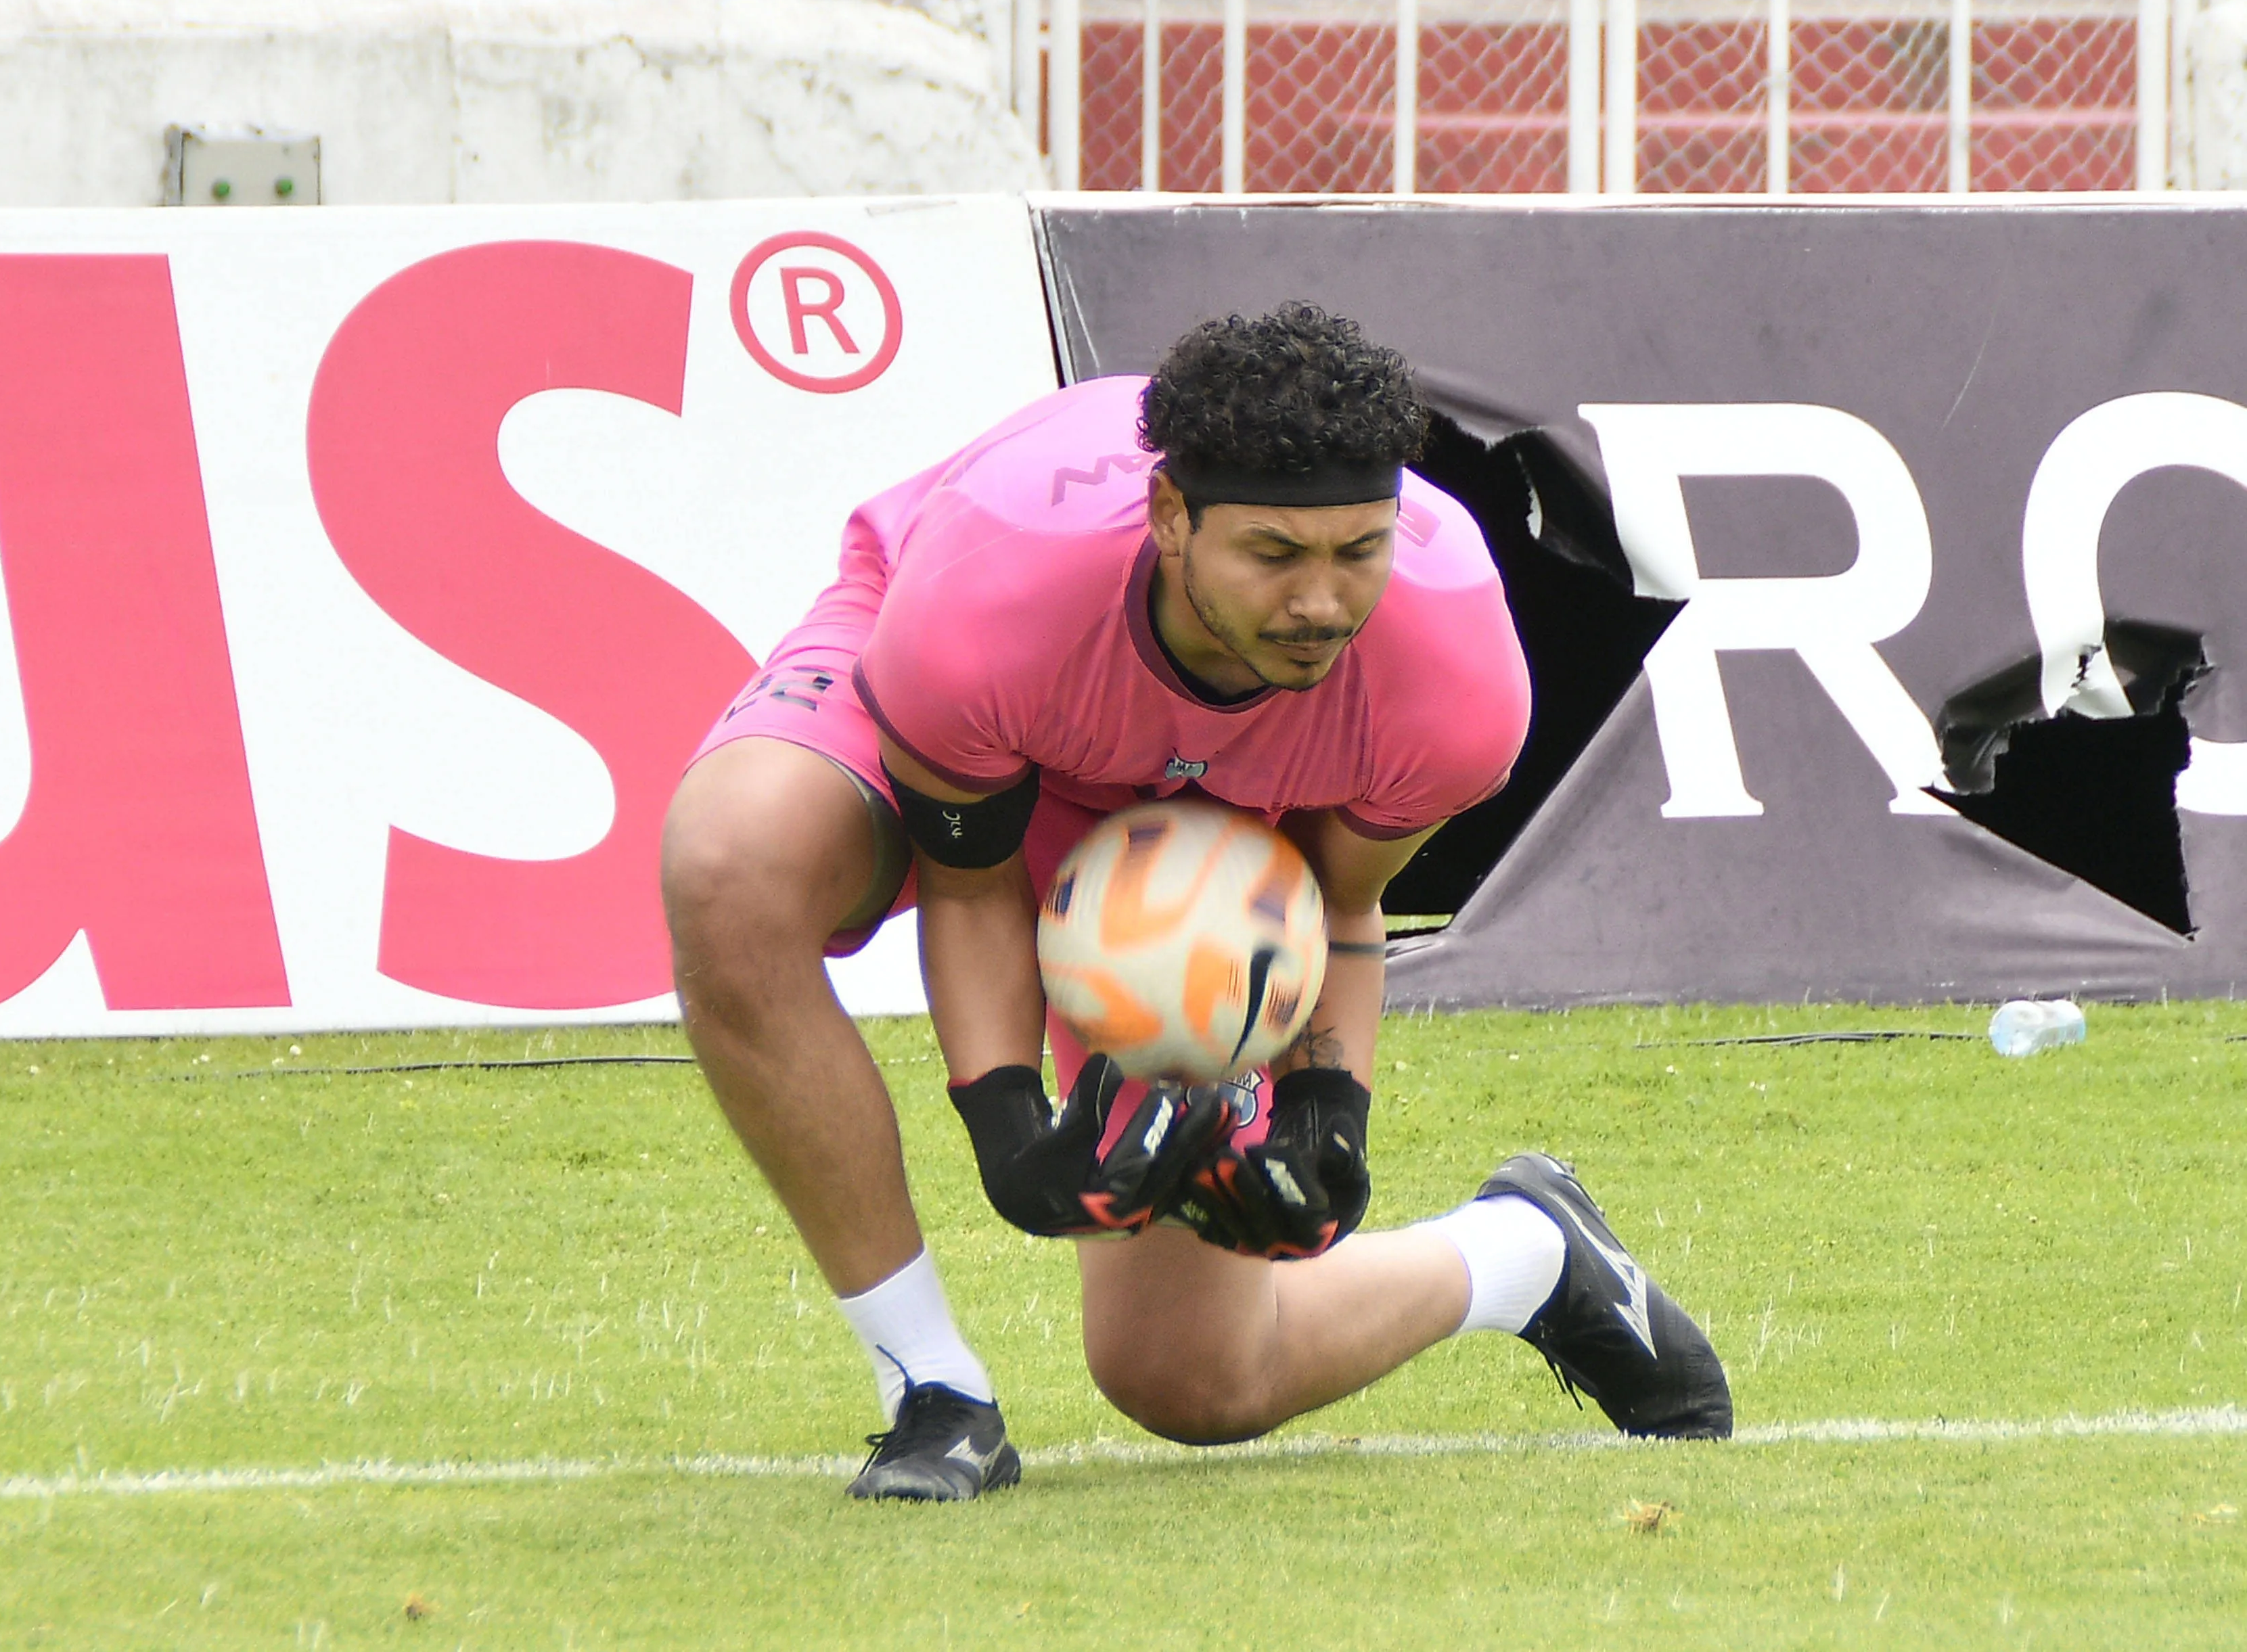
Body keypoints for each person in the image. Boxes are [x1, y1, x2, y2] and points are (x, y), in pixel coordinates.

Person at [660, 303, 1731, 1502]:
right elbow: (973, 883)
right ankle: (933, 1389)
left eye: (1358, 551)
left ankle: (1527, 1253)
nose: (1323, 602)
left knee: (1192, 1379)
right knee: (731, 864)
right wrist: (1008, 1123)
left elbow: (1337, 902)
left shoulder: (1456, 674)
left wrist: (1332, 1108)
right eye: (1274, 555)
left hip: (1215, 815)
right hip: (979, 701)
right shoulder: (984, 606)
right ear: (1172, 520)